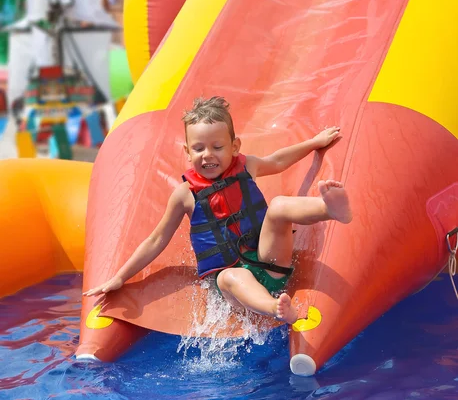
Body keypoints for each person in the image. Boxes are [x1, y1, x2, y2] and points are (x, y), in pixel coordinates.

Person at [83, 96, 352, 325]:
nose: (207, 155)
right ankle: (276, 309)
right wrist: (120, 277)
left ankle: (330, 209)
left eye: (217, 147)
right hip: (236, 286)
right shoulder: (185, 195)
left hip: (270, 262)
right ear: (188, 152)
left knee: (279, 206)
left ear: (235, 147)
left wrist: (315, 143)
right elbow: (156, 239)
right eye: (198, 148)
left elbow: (279, 161)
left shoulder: (247, 167)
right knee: (233, 276)